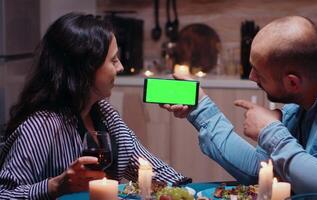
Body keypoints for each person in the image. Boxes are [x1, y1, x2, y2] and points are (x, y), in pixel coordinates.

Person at [0, 12, 190, 199]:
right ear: (85, 68)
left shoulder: (104, 113)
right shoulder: (42, 126)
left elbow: (146, 166)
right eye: (113, 60)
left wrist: (187, 191)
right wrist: (55, 186)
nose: (121, 67)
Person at [162, 16, 317, 194]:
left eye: (258, 73)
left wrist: (270, 131)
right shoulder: (301, 98)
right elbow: (260, 172)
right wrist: (201, 107)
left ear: (293, 83)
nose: (251, 77)